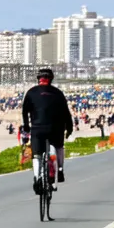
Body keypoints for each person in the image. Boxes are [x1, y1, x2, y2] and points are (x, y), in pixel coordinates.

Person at [21, 67, 73, 195]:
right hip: (56, 129)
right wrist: (69, 128)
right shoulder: (58, 93)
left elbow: (24, 111)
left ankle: (37, 177)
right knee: (59, 147)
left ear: (38, 79)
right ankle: (60, 170)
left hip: (37, 128)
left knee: (37, 155)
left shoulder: (31, 92)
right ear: (51, 79)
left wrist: (27, 126)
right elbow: (66, 114)